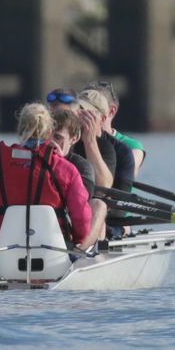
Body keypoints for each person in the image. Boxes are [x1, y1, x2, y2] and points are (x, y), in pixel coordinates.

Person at [0, 102, 94, 250]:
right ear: (49, 130)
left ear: (20, 128)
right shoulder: (66, 169)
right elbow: (81, 215)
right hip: (53, 250)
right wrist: (78, 239)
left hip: (5, 246)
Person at [46, 92, 110, 248]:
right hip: (38, 225)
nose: (52, 143)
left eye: (58, 138)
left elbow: (81, 207)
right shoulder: (31, 159)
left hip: (66, 229)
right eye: (49, 137)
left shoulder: (81, 166)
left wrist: (59, 163)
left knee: (99, 205)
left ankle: (80, 250)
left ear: (73, 139)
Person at [77, 86, 137, 192]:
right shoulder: (68, 140)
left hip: (104, 205)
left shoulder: (122, 151)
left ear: (103, 119)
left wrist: (90, 142)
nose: (79, 115)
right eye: (78, 110)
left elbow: (106, 190)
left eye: (86, 112)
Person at [82, 80, 146, 174]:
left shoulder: (132, 147)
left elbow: (122, 178)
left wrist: (90, 142)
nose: (85, 114)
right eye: (82, 108)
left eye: (91, 109)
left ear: (111, 111)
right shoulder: (72, 139)